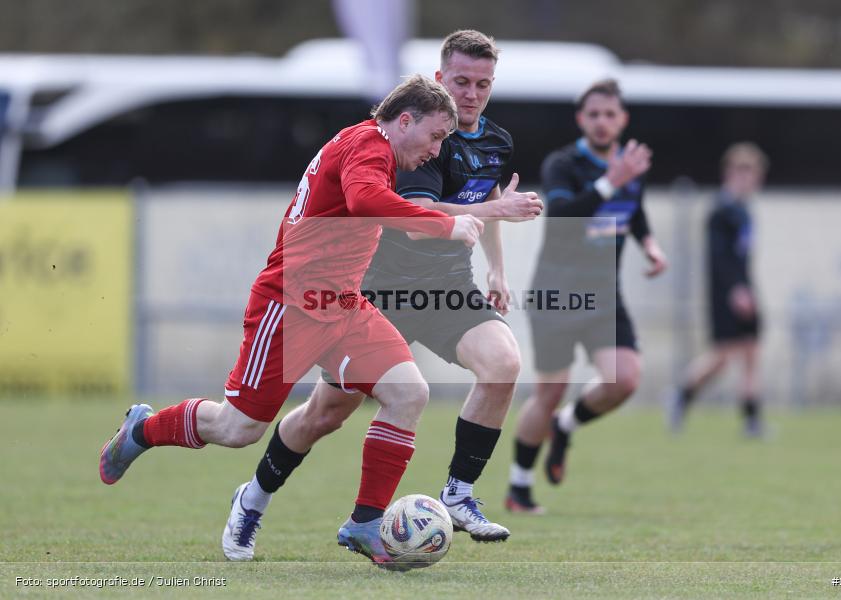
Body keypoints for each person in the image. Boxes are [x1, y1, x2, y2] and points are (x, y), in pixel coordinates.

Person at [99, 74, 486, 569]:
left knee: (409, 393)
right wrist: (444, 224)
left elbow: (376, 208)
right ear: (404, 121)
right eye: (435, 136)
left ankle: (365, 523)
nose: (436, 150)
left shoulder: (375, 149)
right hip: (290, 306)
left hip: (343, 305)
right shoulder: (368, 145)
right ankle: (143, 429)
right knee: (237, 429)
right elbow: (367, 199)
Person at [221, 29, 543, 561]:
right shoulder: (412, 141)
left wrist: (498, 270)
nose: (471, 94)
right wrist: (489, 213)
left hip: (446, 287)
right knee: (323, 415)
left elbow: (488, 202)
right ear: (438, 83)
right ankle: (253, 496)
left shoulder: (495, 142)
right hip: (378, 289)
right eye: (460, 81)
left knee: (503, 362)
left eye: (482, 84)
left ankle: (457, 494)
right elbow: (416, 222)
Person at [505, 79, 668, 514]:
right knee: (549, 392)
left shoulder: (630, 166)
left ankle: (566, 426)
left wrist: (650, 246)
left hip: (604, 295)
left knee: (626, 379)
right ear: (581, 119)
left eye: (610, 114)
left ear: (623, 120)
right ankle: (519, 487)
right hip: (557, 293)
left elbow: (635, 212)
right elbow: (562, 216)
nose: (601, 122)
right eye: (593, 114)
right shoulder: (564, 164)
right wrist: (611, 182)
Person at [668, 142, 768, 437]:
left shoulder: (744, 211)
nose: (748, 180)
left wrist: (747, 287)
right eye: (743, 173)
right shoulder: (720, 212)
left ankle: (752, 421)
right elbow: (719, 258)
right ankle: (681, 396)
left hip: (745, 288)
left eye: (753, 174)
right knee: (721, 358)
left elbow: (742, 257)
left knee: (751, 352)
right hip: (727, 293)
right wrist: (736, 290)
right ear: (730, 174)